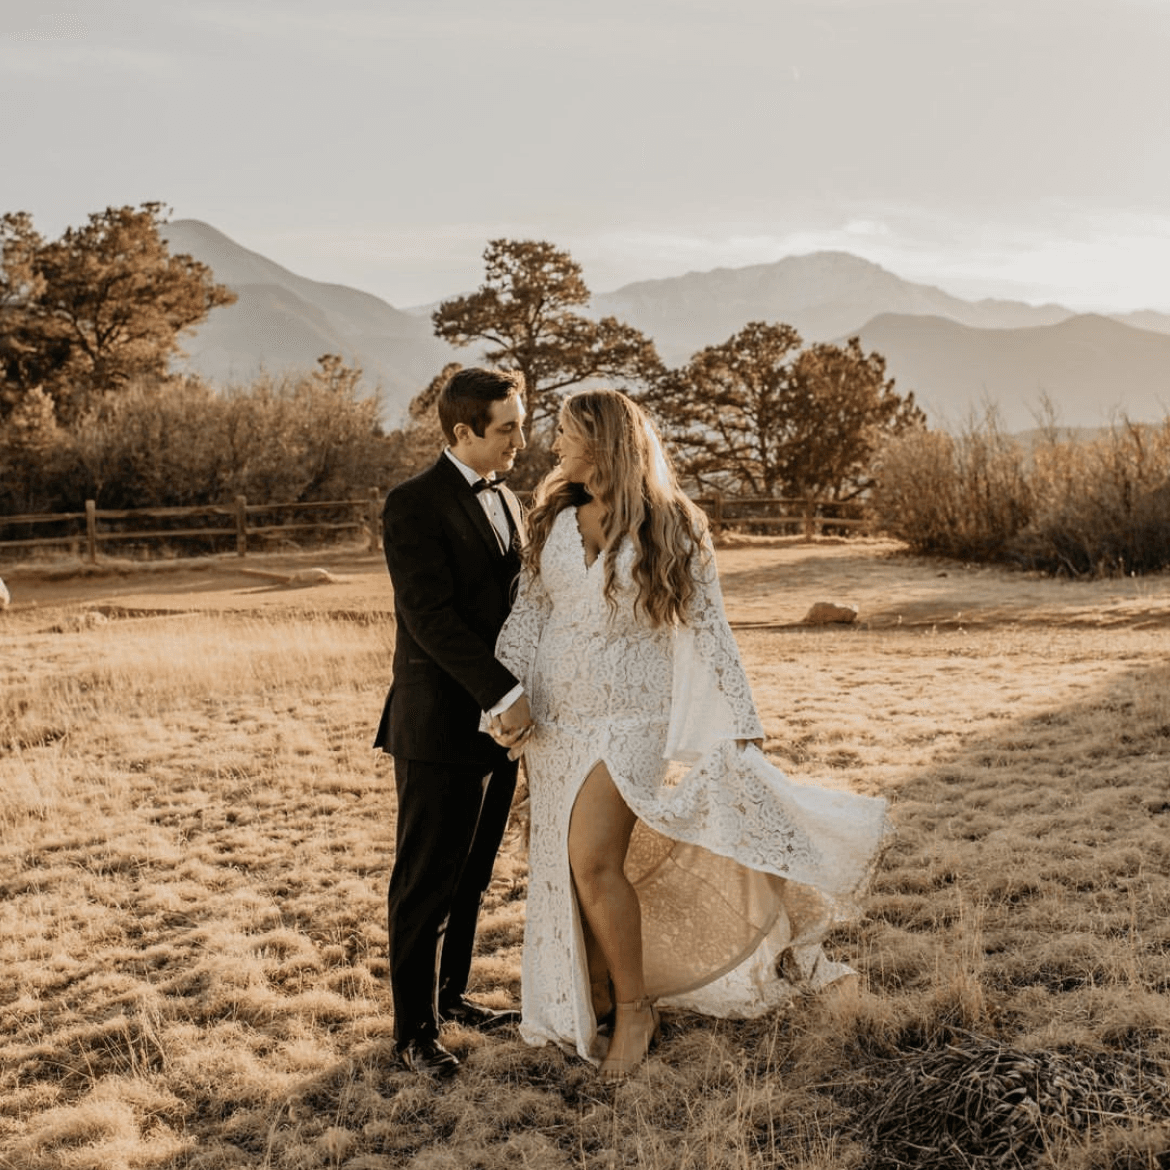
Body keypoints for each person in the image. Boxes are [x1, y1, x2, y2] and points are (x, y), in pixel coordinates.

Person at [487, 388, 889, 1079]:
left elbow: (711, 629)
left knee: (591, 859)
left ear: (603, 442)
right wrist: (503, 695)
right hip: (554, 720)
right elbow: (530, 616)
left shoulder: (674, 524)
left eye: (567, 435)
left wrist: (742, 726)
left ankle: (636, 1009)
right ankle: (597, 996)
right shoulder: (553, 515)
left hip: (630, 718)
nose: (556, 448)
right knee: (561, 866)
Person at [374, 366, 535, 1077]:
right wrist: (503, 694)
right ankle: (413, 1033)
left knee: (472, 876)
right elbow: (430, 618)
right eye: (507, 428)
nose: (520, 441)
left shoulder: (510, 499)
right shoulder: (413, 504)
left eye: (520, 424)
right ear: (462, 431)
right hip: (441, 725)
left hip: (499, 729)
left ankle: (452, 997)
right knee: (425, 881)